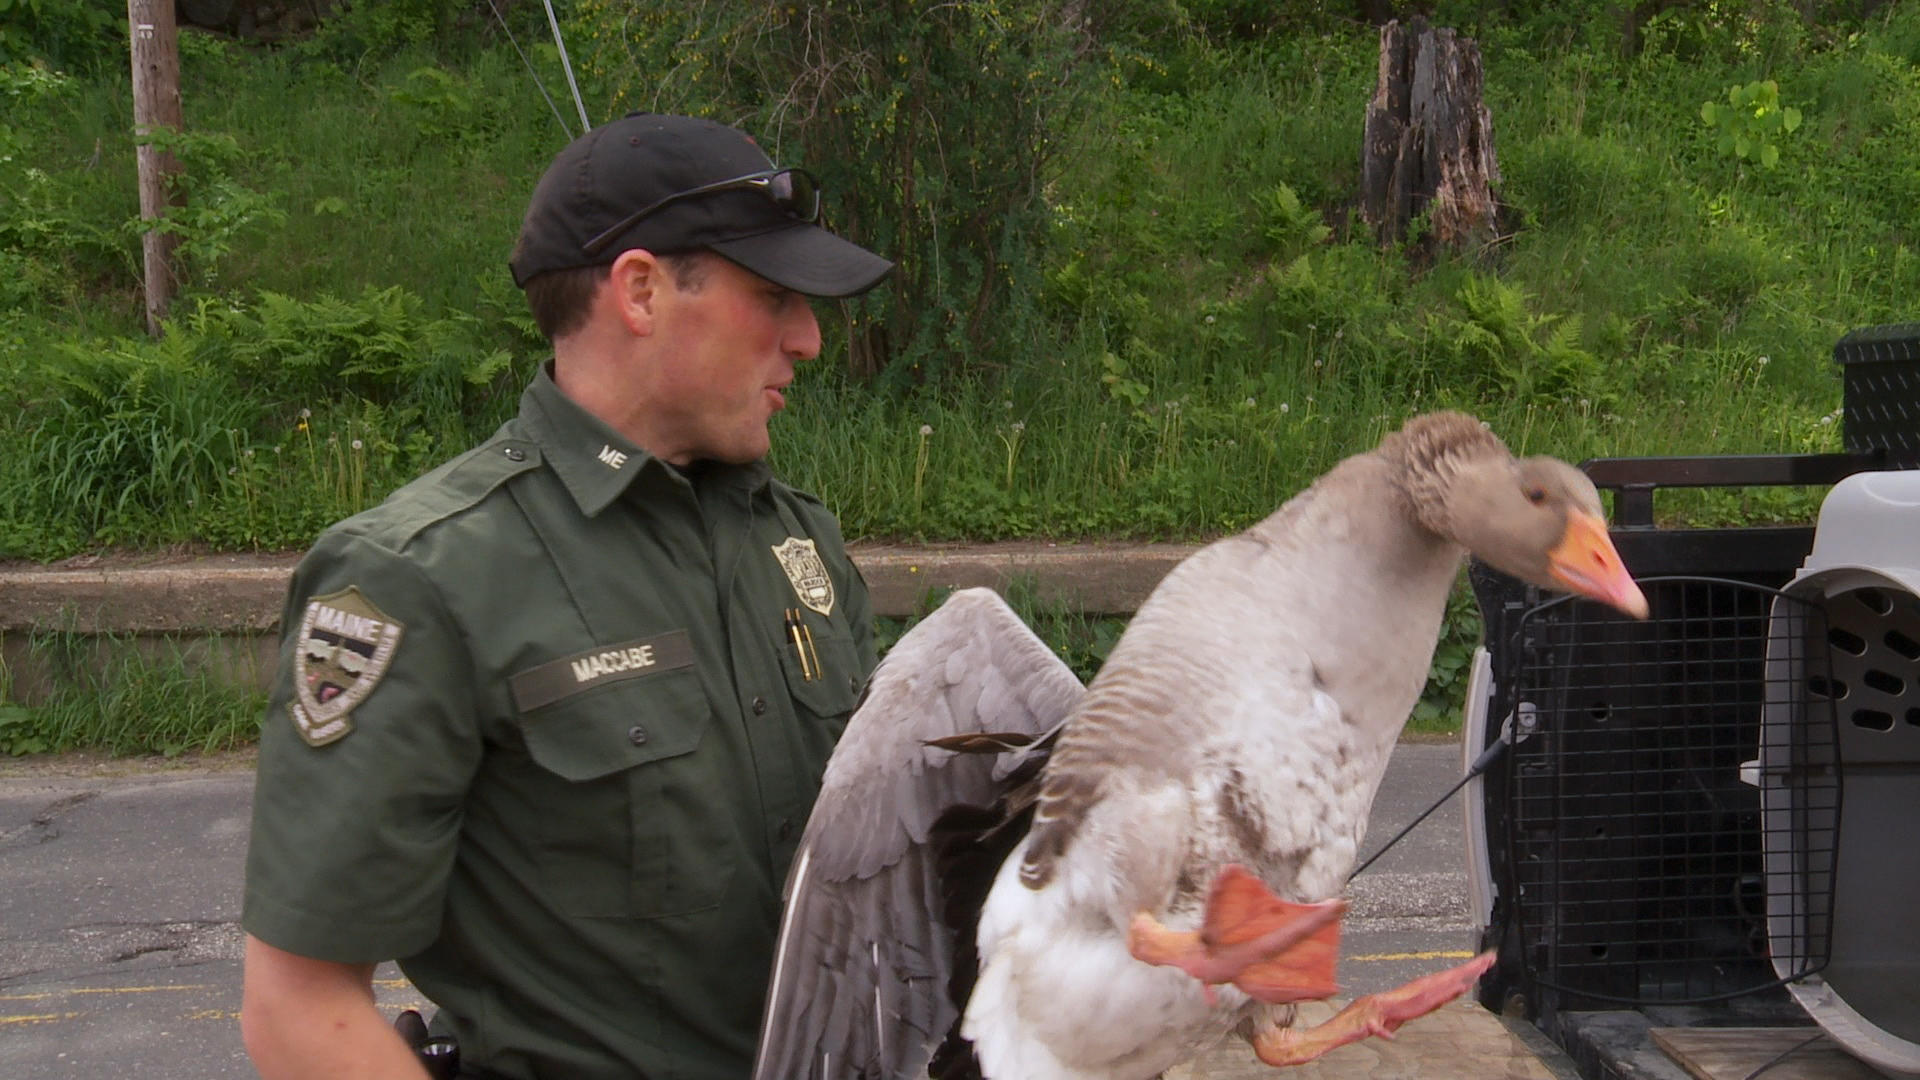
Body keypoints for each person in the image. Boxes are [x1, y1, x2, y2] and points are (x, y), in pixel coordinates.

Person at [239, 112, 892, 1080]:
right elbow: (299, 1007)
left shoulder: (791, 536)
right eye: (774, 296)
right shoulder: (423, 575)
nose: (808, 340)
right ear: (641, 290)